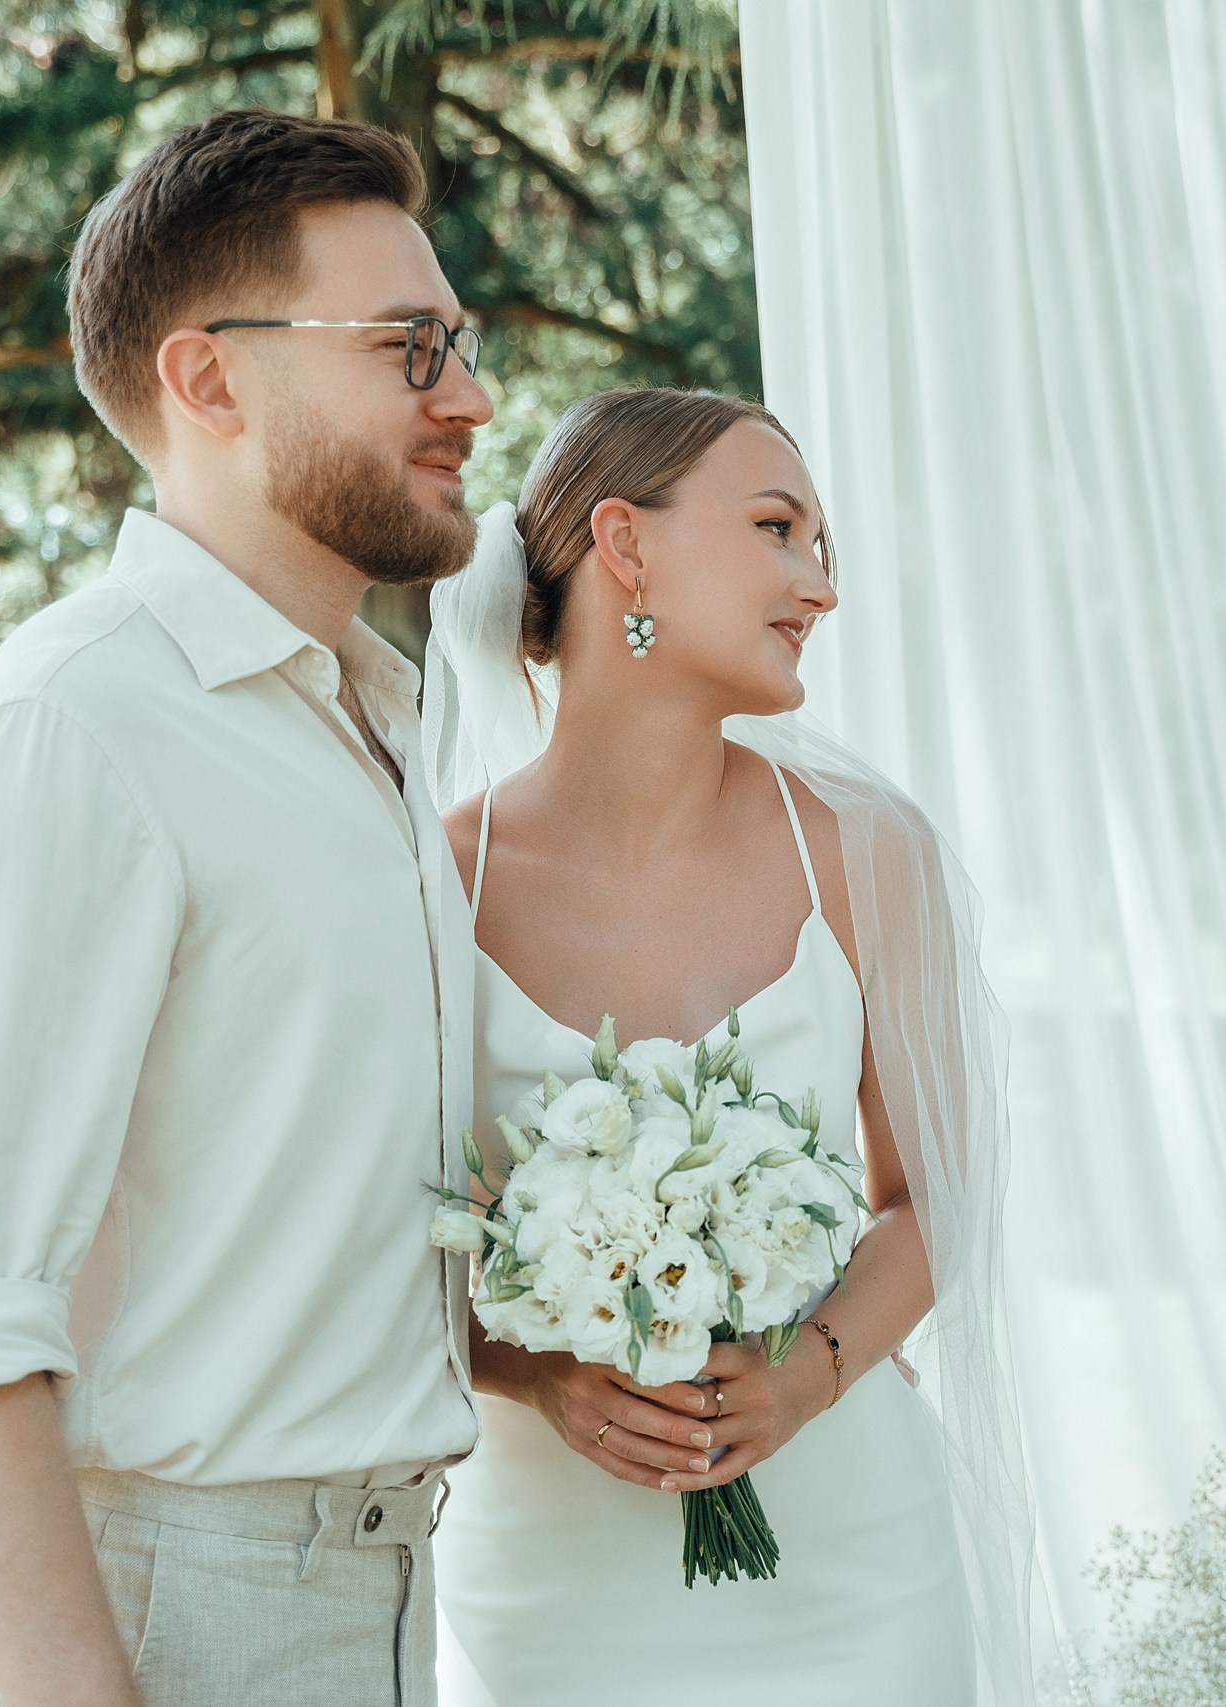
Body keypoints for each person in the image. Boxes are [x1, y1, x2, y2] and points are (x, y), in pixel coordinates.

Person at [0, 109, 493, 1707]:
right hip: (177, 1620)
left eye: (463, 343)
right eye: (408, 347)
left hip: (390, 1598)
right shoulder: (78, 717)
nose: (471, 399)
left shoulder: (380, 717)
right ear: (209, 381)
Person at [420, 389, 1034, 1706]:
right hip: (552, 1583)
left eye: (821, 546)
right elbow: (375, 1241)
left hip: (852, 1565)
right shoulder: (436, 885)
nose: (820, 585)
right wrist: (536, 1374)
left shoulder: (865, 854)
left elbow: (935, 1196)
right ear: (625, 546)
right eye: (776, 529)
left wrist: (803, 1382)